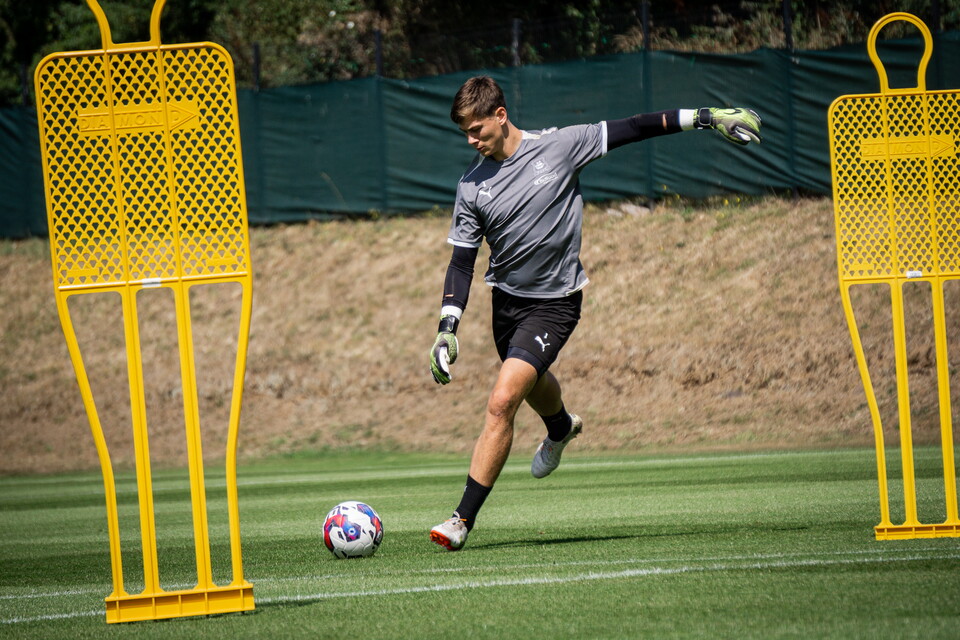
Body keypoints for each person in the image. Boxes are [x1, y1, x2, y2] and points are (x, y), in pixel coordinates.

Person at [427, 75, 761, 551]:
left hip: (556, 304)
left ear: (501, 116)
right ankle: (561, 426)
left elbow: (637, 126)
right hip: (507, 304)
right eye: (465, 132)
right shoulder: (471, 186)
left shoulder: (561, 146)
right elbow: (462, 262)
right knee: (529, 379)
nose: (471, 140)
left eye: (477, 129)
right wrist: (447, 328)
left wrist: (707, 118)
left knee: (503, 400)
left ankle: (461, 520)